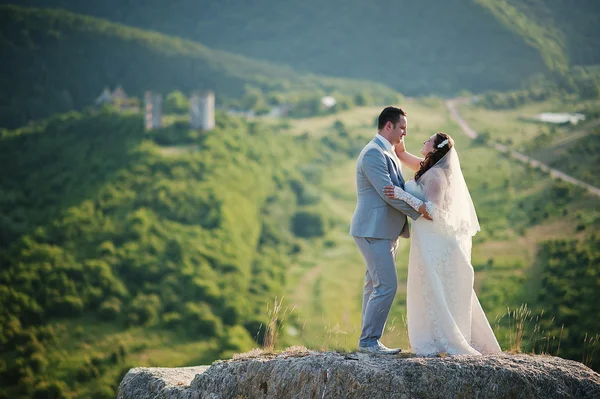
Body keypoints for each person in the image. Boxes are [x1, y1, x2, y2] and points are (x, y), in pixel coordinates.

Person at [383, 132, 502, 356]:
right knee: (429, 287)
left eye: (429, 140)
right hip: (426, 239)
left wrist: (402, 195)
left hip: (434, 240)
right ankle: (434, 337)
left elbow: (433, 212)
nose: (424, 141)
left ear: (436, 148)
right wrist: (401, 131)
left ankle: (445, 339)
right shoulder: (427, 167)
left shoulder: (436, 175)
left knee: (437, 288)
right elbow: (400, 153)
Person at [350, 106, 431, 354]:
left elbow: (396, 190)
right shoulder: (374, 154)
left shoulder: (388, 151)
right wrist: (420, 213)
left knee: (374, 286)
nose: (405, 132)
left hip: (385, 231)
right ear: (389, 126)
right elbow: (390, 196)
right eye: (402, 127)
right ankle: (368, 342)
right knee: (387, 286)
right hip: (373, 230)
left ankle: (368, 341)